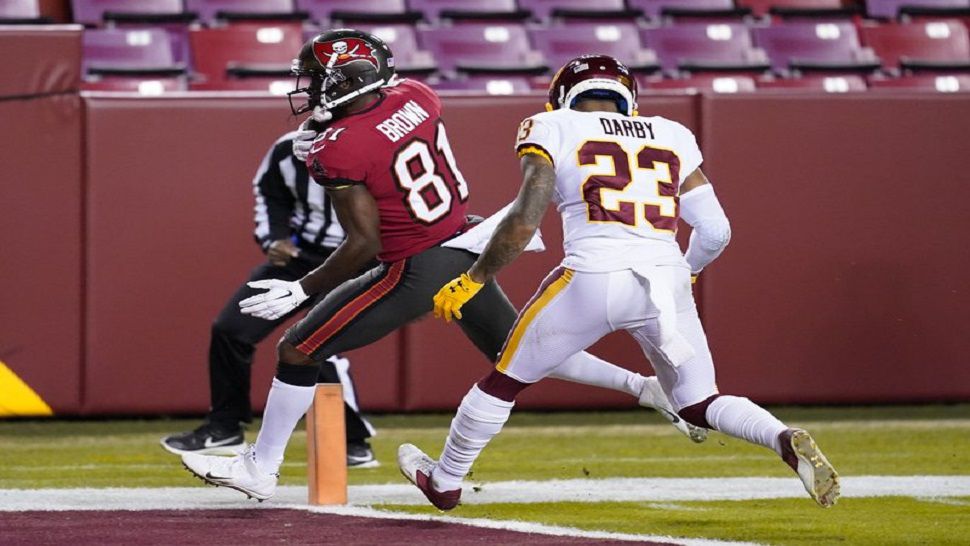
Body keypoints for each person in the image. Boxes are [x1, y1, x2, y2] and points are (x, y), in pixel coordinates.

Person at [181, 30, 703, 502]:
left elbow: (363, 242)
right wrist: (323, 136)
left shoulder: (340, 149)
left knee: (299, 348)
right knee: (516, 350)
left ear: (344, 81)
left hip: (416, 263)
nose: (308, 89)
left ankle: (260, 467)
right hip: (464, 238)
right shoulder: (418, 96)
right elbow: (381, 132)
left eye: (317, 81)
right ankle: (647, 388)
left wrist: (302, 288)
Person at [398, 55, 840, 511]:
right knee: (697, 401)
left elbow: (526, 217)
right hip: (666, 280)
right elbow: (715, 232)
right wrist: (685, 274)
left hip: (592, 275)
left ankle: (445, 481)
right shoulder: (672, 133)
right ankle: (781, 437)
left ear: (562, 98)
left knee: (503, 382)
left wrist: (475, 277)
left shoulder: (552, 127)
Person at [160, 129, 378, 468]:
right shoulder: (288, 147)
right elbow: (269, 193)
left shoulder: (377, 142)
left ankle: (352, 441)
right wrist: (274, 238)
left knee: (317, 343)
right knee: (232, 329)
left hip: (357, 258)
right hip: (302, 257)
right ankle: (224, 426)